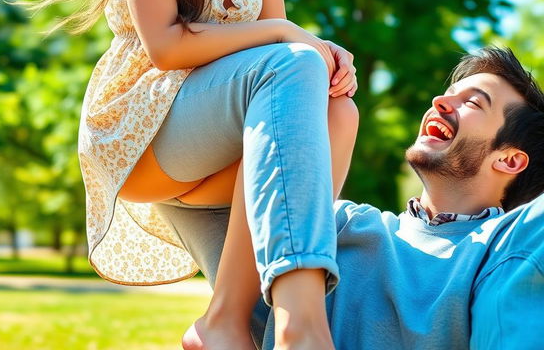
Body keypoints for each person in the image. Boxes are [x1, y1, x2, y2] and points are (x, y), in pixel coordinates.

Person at [22, 0, 359, 350]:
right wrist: (288, 33)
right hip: (143, 133)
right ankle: (302, 328)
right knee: (293, 61)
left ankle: (227, 320)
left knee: (338, 113)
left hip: (220, 136)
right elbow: (168, 49)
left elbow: (277, 62)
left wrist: (322, 68)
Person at [156, 46, 544, 349]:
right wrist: (298, 64)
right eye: (448, 93)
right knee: (322, 91)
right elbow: (172, 191)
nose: (440, 103)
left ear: (509, 159)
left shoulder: (506, 245)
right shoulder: (327, 224)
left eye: (473, 103)